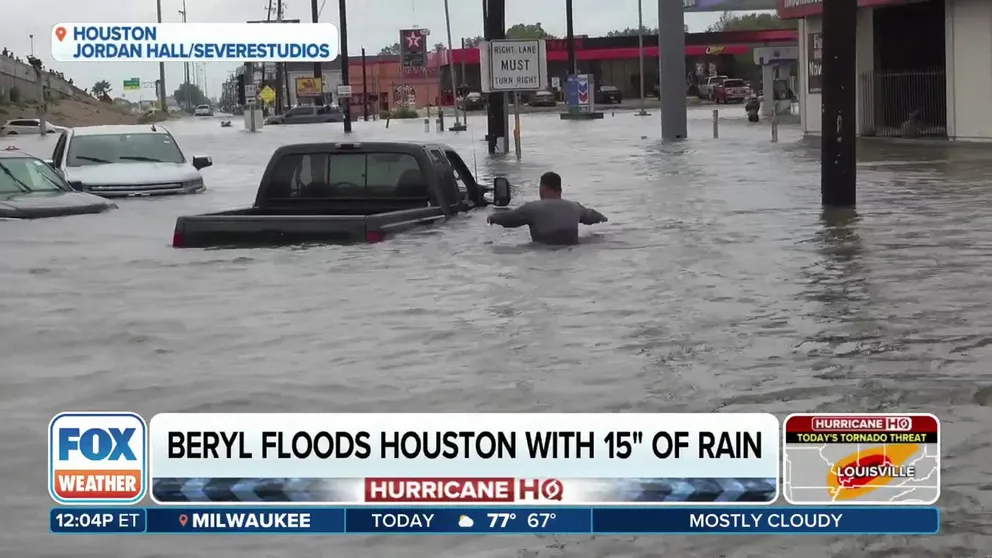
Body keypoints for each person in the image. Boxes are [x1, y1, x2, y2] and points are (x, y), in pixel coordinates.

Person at [486, 171, 607, 245]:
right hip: (571, 254)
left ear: (542, 189)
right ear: (560, 190)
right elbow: (594, 216)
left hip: (543, 256)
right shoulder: (574, 207)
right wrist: (603, 218)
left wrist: (492, 217)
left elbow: (508, 219)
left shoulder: (532, 208)